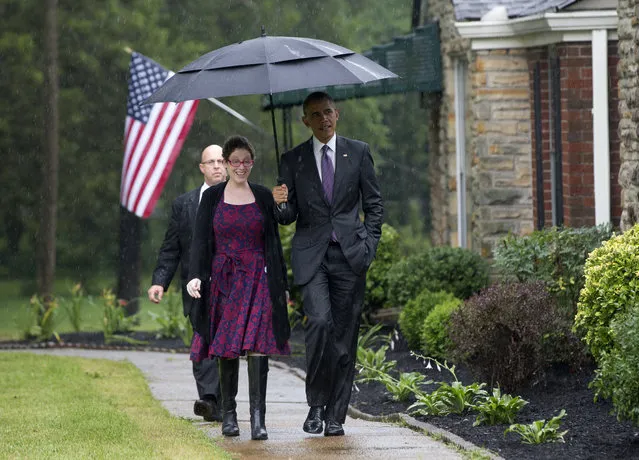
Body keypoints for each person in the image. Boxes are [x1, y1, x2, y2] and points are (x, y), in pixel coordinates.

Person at [272, 91, 383, 437]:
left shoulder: (359, 152)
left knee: (344, 337)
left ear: (338, 114)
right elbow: (288, 217)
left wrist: (369, 246)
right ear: (305, 121)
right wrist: (279, 203)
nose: (323, 120)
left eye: (328, 113)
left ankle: (336, 415)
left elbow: (375, 205)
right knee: (319, 323)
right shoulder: (293, 160)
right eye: (316, 115)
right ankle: (316, 404)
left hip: (351, 256)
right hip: (312, 257)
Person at [186, 135, 290, 441]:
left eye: (246, 161)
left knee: (259, 346)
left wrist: (283, 203)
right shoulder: (212, 197)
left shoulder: (262, 195)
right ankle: (229, 415)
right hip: (223, 280)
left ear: (252, 163)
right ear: (227, 163)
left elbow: (276, 238)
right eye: (235, 161)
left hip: (259, 277)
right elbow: (201, 240)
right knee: (228, 347)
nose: (240, 166)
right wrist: (195, 275)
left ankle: (258, 419)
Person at [147, 144, 226, 423]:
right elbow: (171, 248)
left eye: (221, 161)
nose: (217, 166)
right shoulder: (184, 204)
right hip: (197, 288)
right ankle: (209, 400)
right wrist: (160, 281)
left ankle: (223, 401)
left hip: (232, 287)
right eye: (211, 162)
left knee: (226, 346)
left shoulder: (242, 200)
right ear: (202, 168)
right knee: (203, 340)